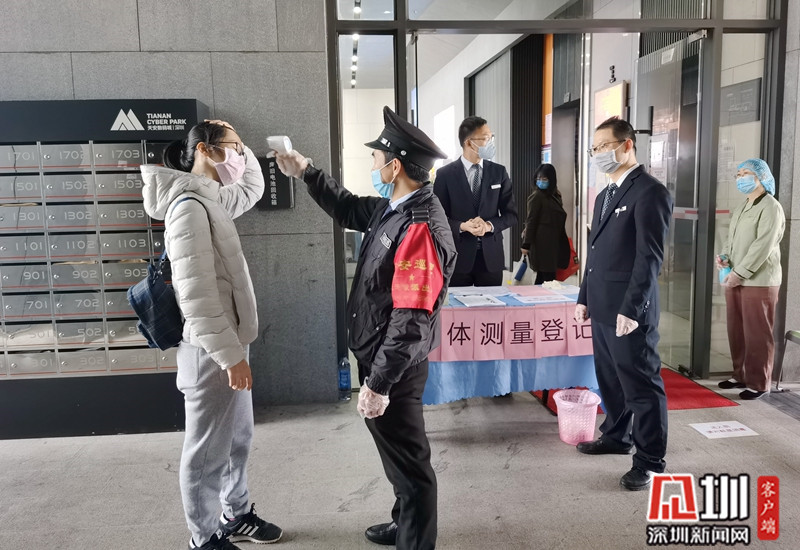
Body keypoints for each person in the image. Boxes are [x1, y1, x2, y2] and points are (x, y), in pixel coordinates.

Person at [276, 106, 456, 550]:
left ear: (395, 166)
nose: (372, 164)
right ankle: (403, 521)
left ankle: (415, 540)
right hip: (378, 354)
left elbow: (411, 319)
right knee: (396, 456)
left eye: (377, 158)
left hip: (392, 366)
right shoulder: (394, 209)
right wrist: (306, 172)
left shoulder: (418, 226)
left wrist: (379, 383)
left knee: (411, 467)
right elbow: (349, 208)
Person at [141, 121, 283, 550]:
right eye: (233, 148)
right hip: (210, 351)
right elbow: (197, 296)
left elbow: (252, 187)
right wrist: (230, 357)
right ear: (204, 150)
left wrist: (238, 139)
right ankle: (203, 538)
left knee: (237, 439)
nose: (239, 156)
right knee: (205, 452)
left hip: (229, 344)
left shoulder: (212, 197)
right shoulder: (188, 207)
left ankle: (235, 513)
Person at [574, 116, 673, 492]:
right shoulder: (605, 195)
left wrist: (632, 309)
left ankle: (649, 460)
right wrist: (584, 297)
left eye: (604, 146)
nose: (598, 154)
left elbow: (649, 258)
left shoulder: (650, 192)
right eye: (595, 148)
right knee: (610, 378)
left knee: (641, 385)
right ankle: (617, 436)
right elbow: (595, 253)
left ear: (627, 145)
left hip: (630, 310)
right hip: (601, 306)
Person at [716, 159, 785, 400]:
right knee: (737, 329)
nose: (740, 178)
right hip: (735, 276)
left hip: (759, 280)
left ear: (762, 177)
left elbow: (763, 245)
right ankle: (740, 375)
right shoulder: (743, 205)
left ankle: (759, 382)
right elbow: (732, 238)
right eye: (738, 174)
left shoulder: (771, 207)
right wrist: (724, 257)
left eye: (746, 173)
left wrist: (740, 273)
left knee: (757, 332)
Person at [433, 116, 517, 287]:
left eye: (491, 137)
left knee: (491, 305)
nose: (490, 142)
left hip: (490, 258)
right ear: (469, 143)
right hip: (457, 257)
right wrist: (462, 226)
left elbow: (511, 215)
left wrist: (489, 225)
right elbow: (437, 218)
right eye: (486, 138)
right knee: (456, 305)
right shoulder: (445, 175)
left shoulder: (499, 172)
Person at [520, 163, 570, 284]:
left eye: (544, 179)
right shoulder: (537, 196)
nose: (541, 181)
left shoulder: (555, 195)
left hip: (553, 243)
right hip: (542, 244)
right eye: (538, 178)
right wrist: (526, 245)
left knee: (547, 277)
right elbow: (531, 221)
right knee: (546, 277)